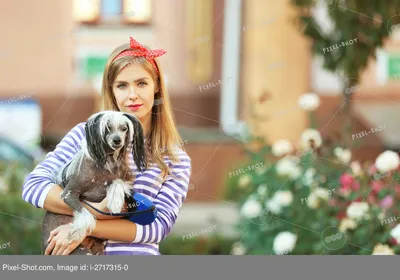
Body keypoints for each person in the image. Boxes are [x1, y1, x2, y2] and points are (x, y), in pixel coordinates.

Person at [21, 37, 192, 255]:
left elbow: (158, 227)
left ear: (157, 86)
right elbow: (34, 186)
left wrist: (83, 227)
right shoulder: (84, 135)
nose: (132, 95)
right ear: (111, 90)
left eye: (142, 83)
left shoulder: (174, 158)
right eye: (122, 85)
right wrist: (94, 211)